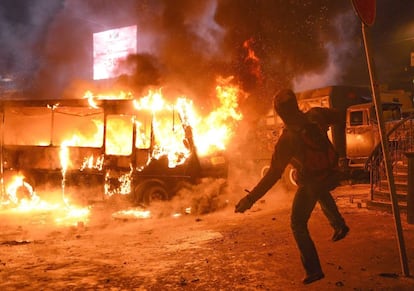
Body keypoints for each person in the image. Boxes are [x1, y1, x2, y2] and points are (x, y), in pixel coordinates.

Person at [235, 89, 350, 285]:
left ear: (279, 113)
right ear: (296, 105)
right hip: (330, 173)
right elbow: (340, 116)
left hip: (313, 180)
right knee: (317, 188)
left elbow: (272, 175)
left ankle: (313, 270)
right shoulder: (315, 115)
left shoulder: (288, 139)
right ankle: (339, 225)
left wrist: (249, 199)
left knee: (297, 223)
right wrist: (338, 150)